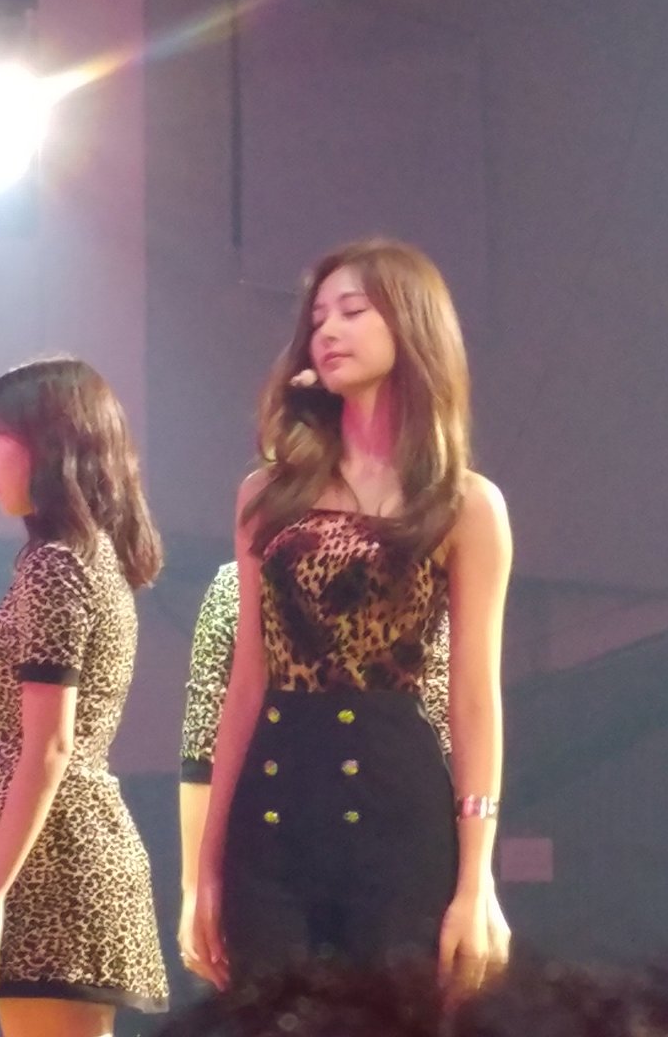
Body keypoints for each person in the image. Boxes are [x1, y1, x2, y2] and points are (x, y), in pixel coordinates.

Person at [192, 238, 512, 994]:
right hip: (272, 818)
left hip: (398, 817)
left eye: (352, 311)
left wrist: (478, 880)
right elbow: (246, 682)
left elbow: (474, 699)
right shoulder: (267, 495)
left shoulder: (465, 503)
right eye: (317, 320)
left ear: (411, 324)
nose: (327, 331)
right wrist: (204, 872)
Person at [0, 356, 170, 1035]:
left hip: (57, 866)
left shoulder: (57, 563)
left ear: (47, 448)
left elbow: (49, 748)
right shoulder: (82, 555)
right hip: (62, 856)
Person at [176, 561, 468, 980]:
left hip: (396, 841)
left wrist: (474, 884)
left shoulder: (410, 575)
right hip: (272, 842)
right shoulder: (235, 584)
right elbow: (203, 746)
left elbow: (445, 731)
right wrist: (196, 886)